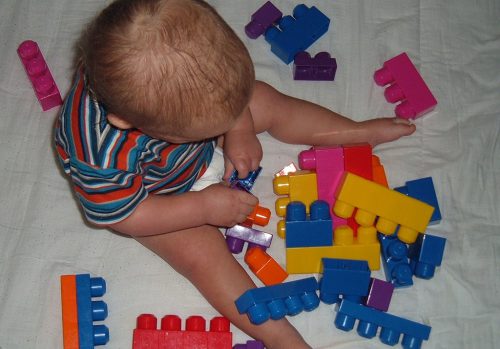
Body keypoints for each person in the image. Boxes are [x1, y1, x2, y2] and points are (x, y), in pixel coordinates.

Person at [54, 0, 415, 347]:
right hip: (155, 196)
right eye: (214, 124)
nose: (225, 127)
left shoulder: (170, 54)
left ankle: (354, 134)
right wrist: (201, 209)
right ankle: (279, 336)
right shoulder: (99, 153)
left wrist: (239, 128)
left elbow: (230, 96)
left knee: (265, 100)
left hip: (185, 133)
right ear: (128, 121)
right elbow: (125, 217)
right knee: (201, 255)